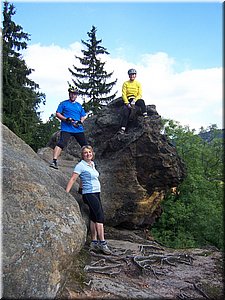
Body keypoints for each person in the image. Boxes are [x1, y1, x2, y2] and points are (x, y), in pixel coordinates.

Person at [65, 145, 112, 255]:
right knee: (100, 217)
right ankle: (102, 243)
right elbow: (73, 179)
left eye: (89, 152)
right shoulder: (80, 165)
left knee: (93, 216)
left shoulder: (92, 164)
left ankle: (94, 242)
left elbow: (83, 178)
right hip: (89, 194)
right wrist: (66, 193)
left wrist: (80, 188)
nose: (88, 154)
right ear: (82, 155)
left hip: (96, 192)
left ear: (92, 153)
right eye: (85, 152)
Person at [50, 86, 88, 169]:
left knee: (85, 145)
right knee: (61, 143)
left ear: (77, 95)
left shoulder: (79, 105)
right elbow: (58, 114)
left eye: (74, 94)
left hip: (77, 128)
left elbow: (84, 115)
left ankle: (89, 162)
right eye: (71, 94)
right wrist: (66, 119)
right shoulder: (64, 104)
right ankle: (54, 161)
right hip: (66, 128)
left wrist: (80, 121)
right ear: (69, 94)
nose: (73, 95)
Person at [117, 68, 148, 134]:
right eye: (131, 75)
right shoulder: (125, 83)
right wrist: (127, 103)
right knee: (126, 111)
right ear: (129, 75)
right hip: (128, 99)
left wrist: (134, 100)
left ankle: (145, 116)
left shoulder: (138, 83)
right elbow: (124, 94)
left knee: (142, 102)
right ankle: (123, 128)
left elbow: (140, 94)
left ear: (135, 75)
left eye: (133, 74)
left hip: (135, 98)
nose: (132, 76)